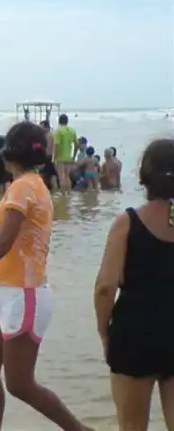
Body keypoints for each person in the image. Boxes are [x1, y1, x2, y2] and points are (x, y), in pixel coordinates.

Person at [0, 121, 92, 431]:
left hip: (25, 294)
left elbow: (3, 243)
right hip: (9, 291)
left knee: (20, 384)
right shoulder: (30, 183)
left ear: (8, 152)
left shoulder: (24, 187)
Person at [94, 138, 174, 430]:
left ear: (144, 176)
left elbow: (105, 287)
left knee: (132, 425)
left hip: (135, 334)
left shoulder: (128, 223)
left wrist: (104, 333)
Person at [53, 114, 79, 192]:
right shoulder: (72, 130)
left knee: (61, 177)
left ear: (59, 121)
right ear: (67, 121)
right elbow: (77, 144)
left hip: (60, 157)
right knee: (67, 177)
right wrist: (74, 156)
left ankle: (63, 195)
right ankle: (69, 194)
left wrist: (55, 158)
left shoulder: (58, 131)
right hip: (68, 157)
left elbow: (56, 145)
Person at [39, 120, 58, 191]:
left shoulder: (48, 136)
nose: (40, 129)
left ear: (47, 127)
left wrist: (43, 161)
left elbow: (48, 149)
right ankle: (57, 194)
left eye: (41, 127)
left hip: (48, 158)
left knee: (44, 177)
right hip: (52, 158)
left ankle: (52, 193)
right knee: (52, 177)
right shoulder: (51, 135)